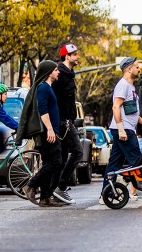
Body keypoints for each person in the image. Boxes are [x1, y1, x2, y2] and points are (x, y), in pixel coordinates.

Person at [100, 57, 142, 205]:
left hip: (126, 128)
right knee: (138, 160)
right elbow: (116, 107)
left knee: (114, 164)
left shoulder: (131, 87)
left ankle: (104, 194)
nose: (139, 69)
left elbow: (132, 112)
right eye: (136, 67)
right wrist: (121, 129)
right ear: (129, 69)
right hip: (123, 130)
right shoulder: (122, 85)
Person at [18, 61, 65, 207]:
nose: (58, 72)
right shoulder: (43, 88)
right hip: (46, 133)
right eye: (56, 70)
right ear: (49, 72)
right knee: (56, 162)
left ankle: (45, 198)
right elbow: (42, 110)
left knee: (49, 163)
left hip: (50, 132)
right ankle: (30, 186)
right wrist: (50, 129)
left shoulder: (47, 87)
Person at [50, 44, 83, 204]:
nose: (77, 56)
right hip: (63, 122)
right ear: (67, 57)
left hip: (68, 121)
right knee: (77, 152)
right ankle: (60, 187)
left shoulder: (69, 74)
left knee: (62, 158)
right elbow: (53, 100)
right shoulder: (60, 74)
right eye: (74, 54)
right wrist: (57, 123)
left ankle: (54, 191)